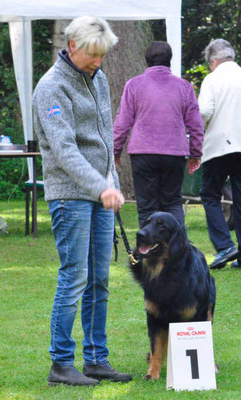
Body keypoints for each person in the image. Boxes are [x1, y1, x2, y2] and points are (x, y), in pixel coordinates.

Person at [33, 16, 132, 387]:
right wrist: (100, 186)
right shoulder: (51, 88)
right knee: (74, 278)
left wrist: (112, 181)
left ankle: (96, 360)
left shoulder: (99, 78)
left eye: (102, 55)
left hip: (100, 192)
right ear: (72, 45)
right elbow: (64, 150)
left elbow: (103, 138)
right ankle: (61, 364)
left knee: (100, 280)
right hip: (70, 195)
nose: (98, 62)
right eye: (92, 55)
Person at [113, 41, 204, 228]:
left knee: (147, 207)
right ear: (169, 60)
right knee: (172, 203)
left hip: (143, 152)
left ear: (147, 60)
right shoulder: (184, 87)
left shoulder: (134, 85)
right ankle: (179, 252)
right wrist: (195, 153)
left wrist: (115, 151)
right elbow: (196, 125)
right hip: (174, 153)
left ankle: (149, 252)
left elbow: (122, 123)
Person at [198, 38, 241, 270]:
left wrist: (201, 127)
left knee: (210, 194)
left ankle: (224, 246)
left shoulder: (212, 79)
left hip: (219, 145)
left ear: (213, 61)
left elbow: (204, 110)